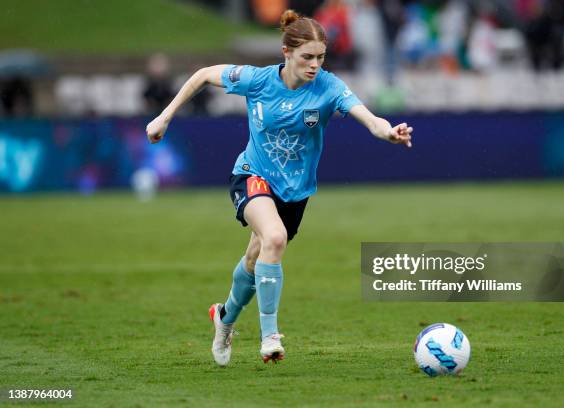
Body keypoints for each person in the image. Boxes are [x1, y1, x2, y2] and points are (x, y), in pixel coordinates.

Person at [145, 9, 413, 366]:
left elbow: (370, 119)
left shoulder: (329, 87)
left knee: (257, 258)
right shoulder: (257, 80)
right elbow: (203, 76)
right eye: (307, 57)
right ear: (286, 52)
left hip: (295, 192)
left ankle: (224, 319)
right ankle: (269, 336)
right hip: (251, 174)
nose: (315, 64)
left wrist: (388, 132)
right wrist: (164, 117)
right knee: (274, 239)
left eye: (320, 57)